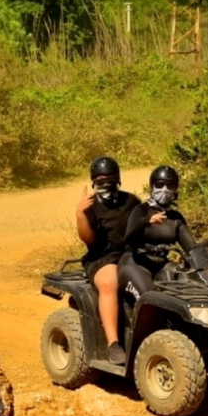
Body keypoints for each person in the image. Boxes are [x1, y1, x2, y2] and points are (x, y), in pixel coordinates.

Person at [76, 156, 140, 365]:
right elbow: (88, 239)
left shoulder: (131, 201)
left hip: (131, 254)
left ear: (118, 179)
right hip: (102, 258)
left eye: (110, 179)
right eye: (101, 180)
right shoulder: (90, 206)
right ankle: (113, 345)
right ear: (94, 181)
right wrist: (80, 214)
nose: (106, 184)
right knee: (110, 281)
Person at [119, 165, 196, 303]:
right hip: (135, 264)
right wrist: (147, 221)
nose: (164, 190)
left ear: (175, 190)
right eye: (159, 185)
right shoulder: (141, 210)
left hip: (162, 265)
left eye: (170, 185)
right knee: (150, 300)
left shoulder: (176, 218)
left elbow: (191, 248)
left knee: (186, 287)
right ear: (152, 187)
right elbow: (129, 239)